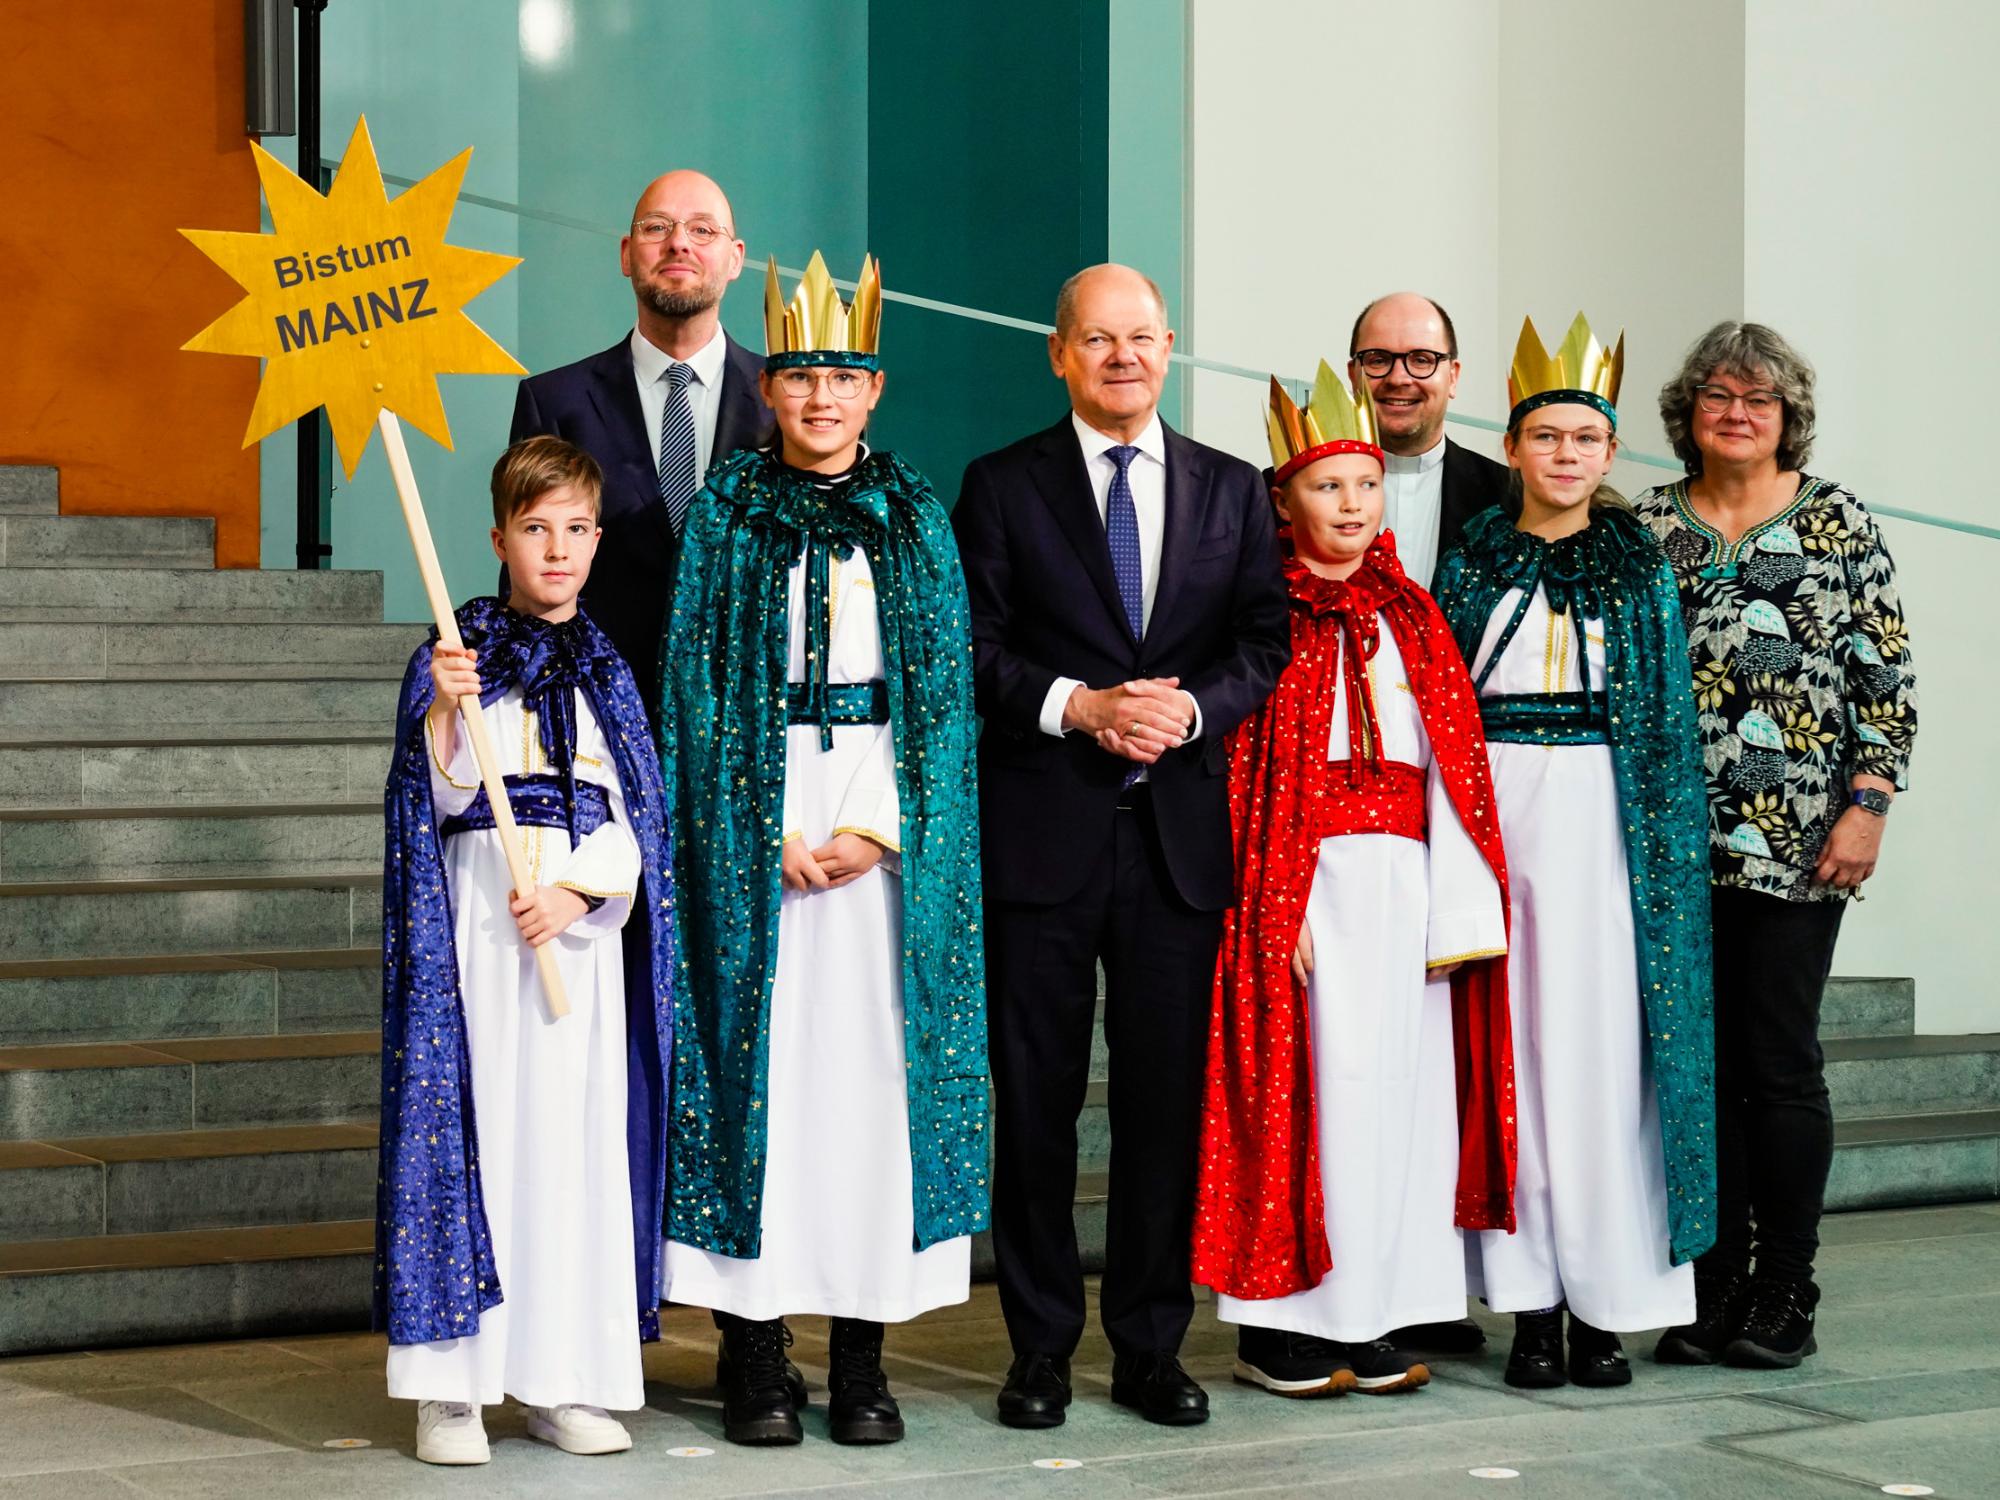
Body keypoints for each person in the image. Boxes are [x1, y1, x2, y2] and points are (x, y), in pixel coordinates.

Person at [954, 264, 1290, 1429]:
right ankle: (1038, 1347)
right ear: (1058, 353)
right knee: (1035, 1104)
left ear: (1169, 348)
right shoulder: (998, 486)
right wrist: (1079, 706)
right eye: (1095, 341)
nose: (1120, 358)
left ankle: (1151, 1344)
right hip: (1040, 838)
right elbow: (975, 649)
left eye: (1140, 339)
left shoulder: (1233, 489)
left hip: (1175, 848)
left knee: (1163, 1109)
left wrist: (1188, 710)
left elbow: (1262, 639)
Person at [659, 253, 984, 1449]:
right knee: (768, 1079)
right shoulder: (726, 515)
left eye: (842, 378)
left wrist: (874, 828)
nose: (820, 399)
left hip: (878, 825)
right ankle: (755, 1354)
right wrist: (760, 832)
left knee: (867, 1087)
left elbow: (943, 701)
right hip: (758, 818)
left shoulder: (913, 519)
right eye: (799, 378)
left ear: (874, 389)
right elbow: (692, 690)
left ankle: (861, 1358)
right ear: (769, 388)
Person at [1193, 366, 1515, 1400]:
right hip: (1307, 879)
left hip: (1404, 881)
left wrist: (1457, 897)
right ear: (1282, 499)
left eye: (1364, 487)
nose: (1349, 507)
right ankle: (1282, 1326)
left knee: (1396, 1102)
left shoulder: (1412, 618)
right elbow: (1242, 767)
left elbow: (1452, 764)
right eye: (1327, 487)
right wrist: (1264, 897)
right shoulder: (1262, 615)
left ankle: (1374, 1308)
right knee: (1306, 1094)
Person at [376, 436, 675, 1465]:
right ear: (500, 537)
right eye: (536, 530)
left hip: (572, 938)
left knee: (572, 1149)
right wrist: (449, 715)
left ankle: (561, 1375)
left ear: (596, 540)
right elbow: (442, 797)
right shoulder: (455, 651)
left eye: (576, 531)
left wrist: (578, 890)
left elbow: (637, 815)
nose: (557, 551)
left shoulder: (606, 667)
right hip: (477, 926)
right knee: (481, 1136)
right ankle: (452, 1390)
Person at [1433, 315, 1716, 1391]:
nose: (1561, 455)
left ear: (1608, 455)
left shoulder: (1636, 566)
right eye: (1541, 436)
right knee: (1511, 1052)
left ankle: (1606, 1305)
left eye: (1581, 439)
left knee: (1602, 1058)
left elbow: (1659, 726)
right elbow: (1445, 704)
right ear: (1510, 448)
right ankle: (1528, 1307)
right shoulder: (1472, 560)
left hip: (1604, 816)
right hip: (1498, 801)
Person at [1636, 322, 1917, 1369]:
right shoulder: (1647, 525)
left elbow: (1883, 676)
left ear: (1786, 413)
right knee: (1695, 1070)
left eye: (1757, 398)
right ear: (1688, 412)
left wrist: (1868, 802)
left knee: (1777, 1062)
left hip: (1800, 842)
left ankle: (1783, 1290)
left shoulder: (1837, 519)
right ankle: (1709, 1288)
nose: (1736, 412)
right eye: (1716, 395)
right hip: (1669, 845)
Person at [509, 169, 775, 713]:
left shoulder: (789, 406)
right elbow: (527, 582)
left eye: (703, 230)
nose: (679, 242)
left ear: (735, 258)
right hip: (597, 718)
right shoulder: (554, 401)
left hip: (754, 721)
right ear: (628, 254)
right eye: (658, 227)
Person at [1347, 292, 1512, 590]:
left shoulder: (1509, 497)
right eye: (1378, 360)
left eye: (1422, 360)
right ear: (1352, 374)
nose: (1398, 378)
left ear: (1453, 376)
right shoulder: (1287, 494)